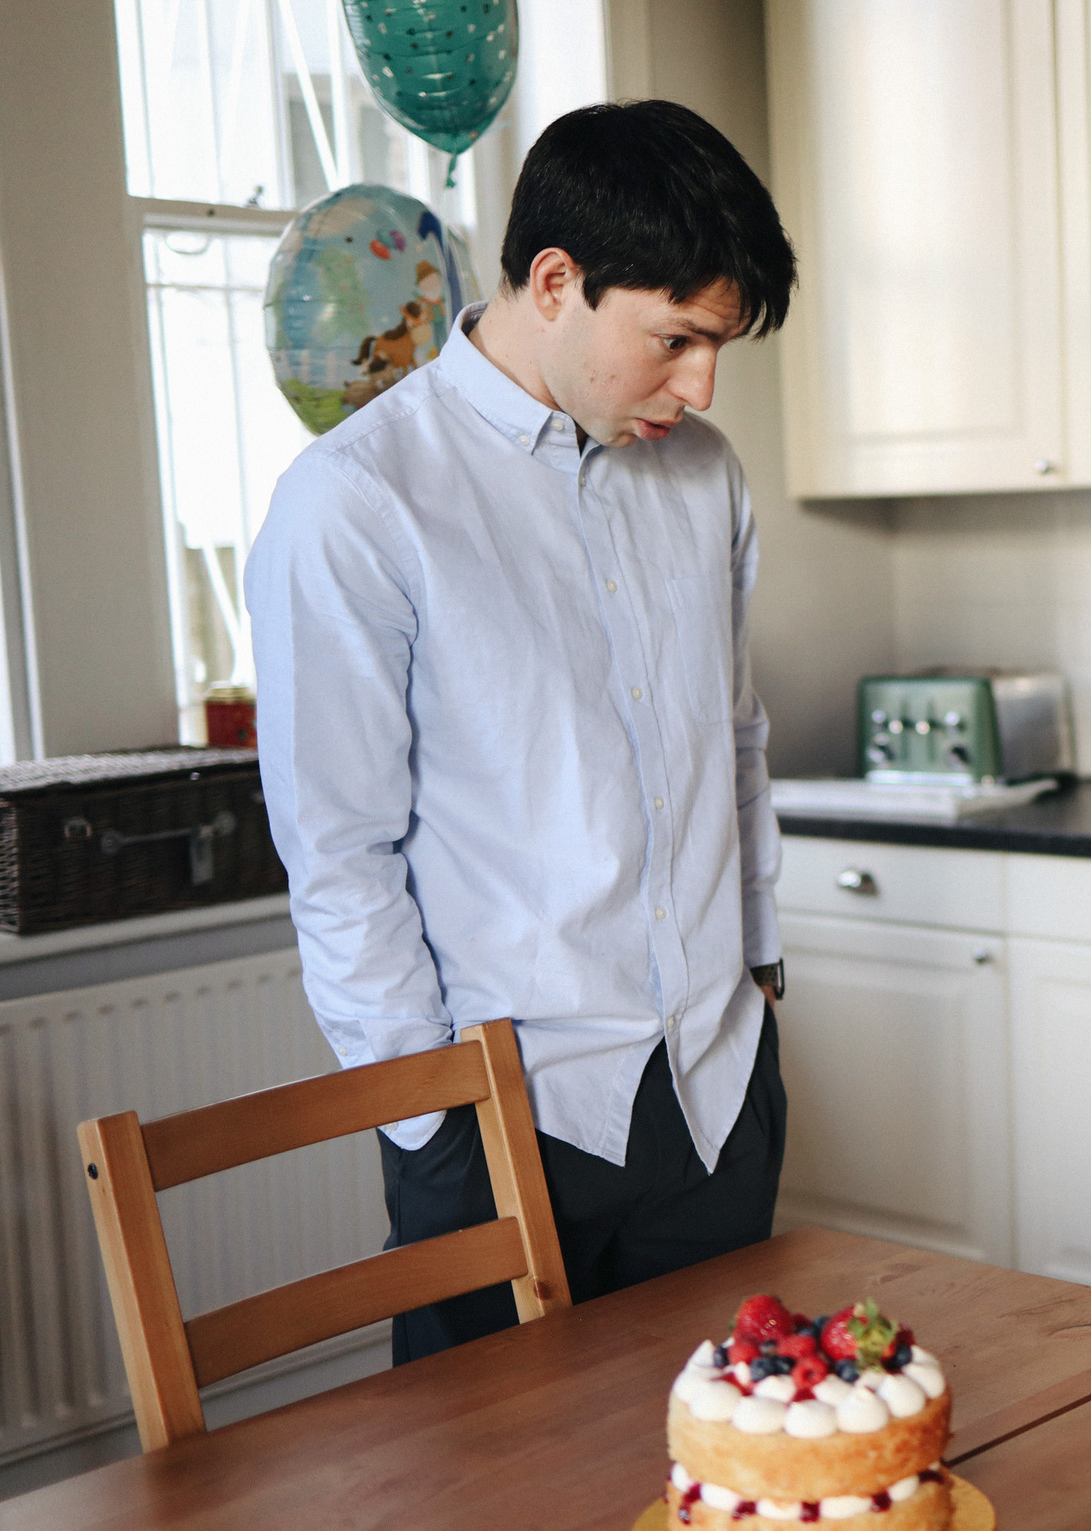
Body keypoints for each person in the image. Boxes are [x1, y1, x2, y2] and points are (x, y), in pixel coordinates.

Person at [247, 101, 798, 1362]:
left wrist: (762, 981)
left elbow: (737, 744)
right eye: (675, 338)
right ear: (555, 281)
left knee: (735, 1499)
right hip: (501, 1118)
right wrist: (429, 1119)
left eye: (719, 347)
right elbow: (339, 852)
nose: (702, 384)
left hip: (717, 1086)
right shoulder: (355, 506)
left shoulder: (703, 472)